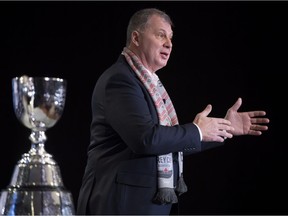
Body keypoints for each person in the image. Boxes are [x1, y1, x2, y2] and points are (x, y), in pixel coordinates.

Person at [76, 8, 269, 215]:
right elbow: (145, 139)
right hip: (120, 203)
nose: (169, 43)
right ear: (136, 38)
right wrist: (197, 130)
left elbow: (171, 142)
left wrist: (224, 127)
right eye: (160, 35)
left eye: (170, 37)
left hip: (148, 205)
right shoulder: (120, 80)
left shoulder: (151, 85)